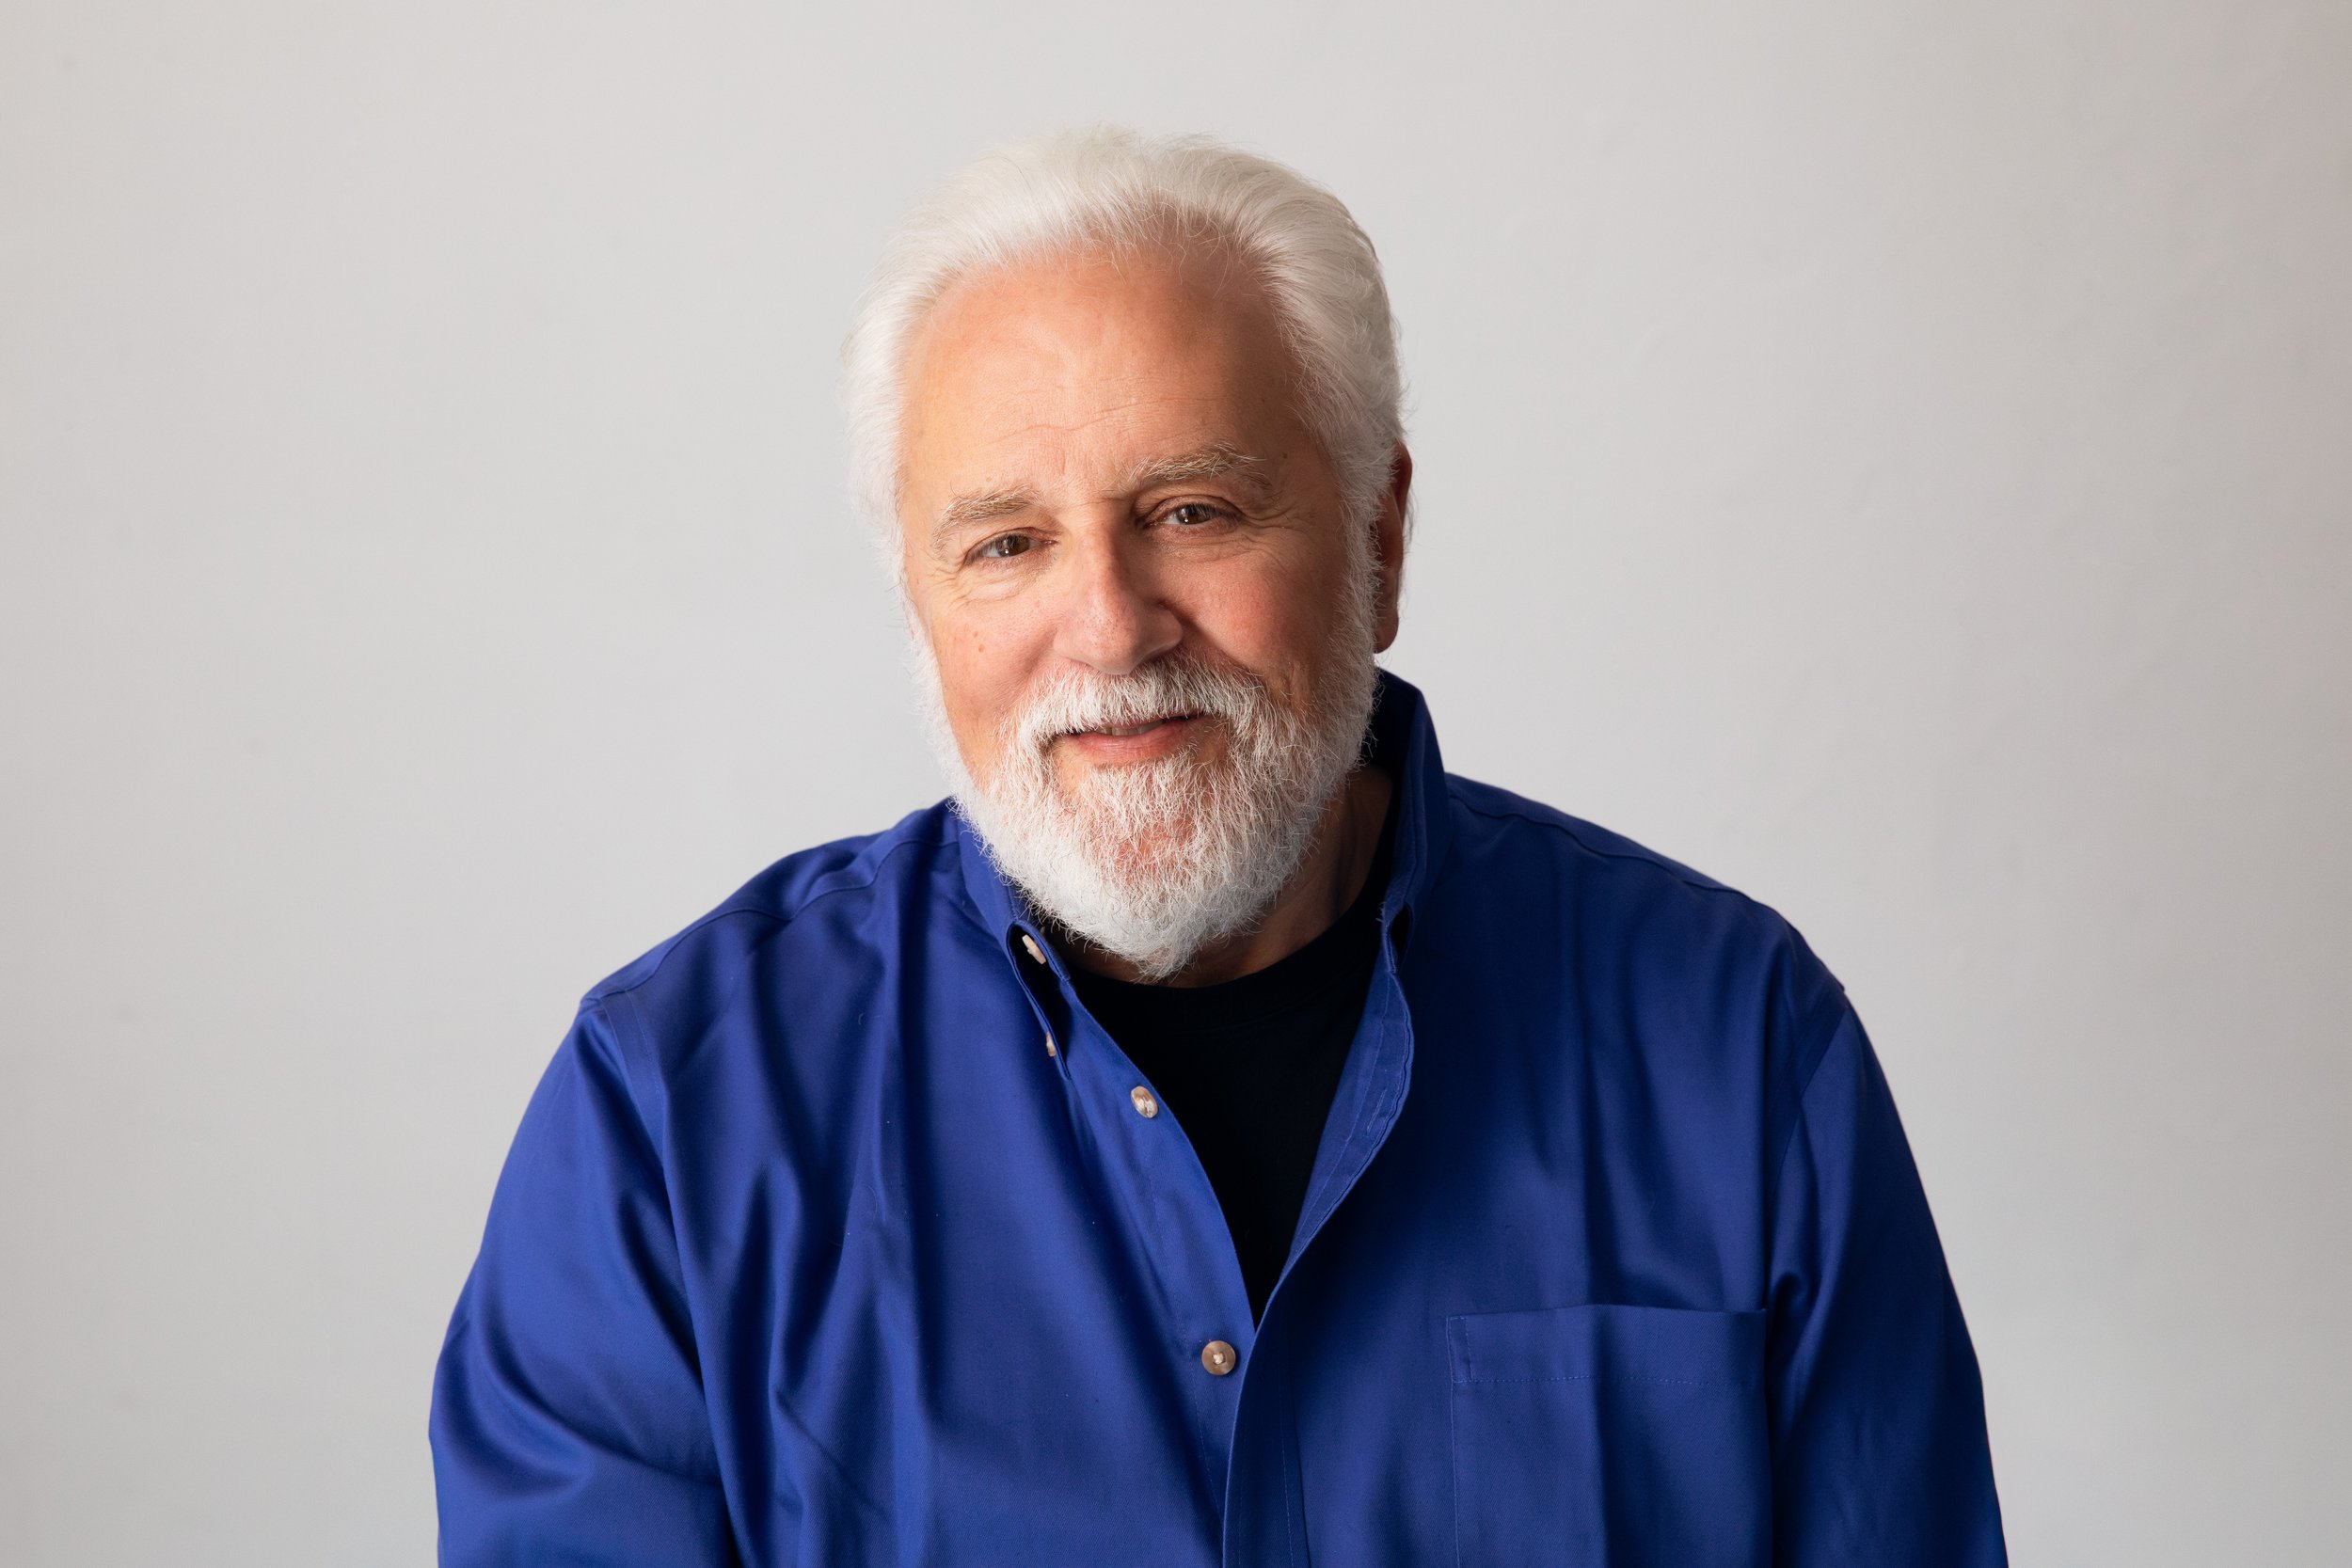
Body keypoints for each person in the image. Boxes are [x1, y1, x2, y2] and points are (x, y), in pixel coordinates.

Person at [429, 126, 2007, 1566]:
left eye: (1192, 511)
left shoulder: (1738, 1049)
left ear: (1380, 539)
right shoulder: (672, 1119)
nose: (1110, 629)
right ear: (920, 602)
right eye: (1007, 543)